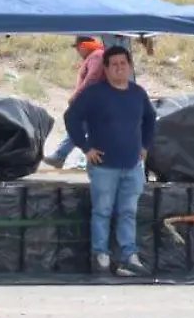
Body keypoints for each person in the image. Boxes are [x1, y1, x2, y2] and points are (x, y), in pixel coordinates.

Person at [63, 45, 157, 276]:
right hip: (103, 167)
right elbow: (71, 117)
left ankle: (128, 256)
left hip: (132, 166)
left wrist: (145, 146)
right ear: (105, 68)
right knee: (102, 211)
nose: (119, 68)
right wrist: (85, 148)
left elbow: (150, 118)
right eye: (113, 65)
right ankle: (101, 256)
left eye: (123, 64)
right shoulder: (94, 94)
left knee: (128, 212)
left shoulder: (138, 93)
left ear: (130, 66)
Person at [44, 36, 107, 168]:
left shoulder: (97, 56)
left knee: (78, 126)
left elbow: (92, 78)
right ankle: (62, 156)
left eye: (78, 48)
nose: (78, 52)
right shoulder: (98, 55)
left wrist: (77, 97)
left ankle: (60, 156)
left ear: (83, 46)